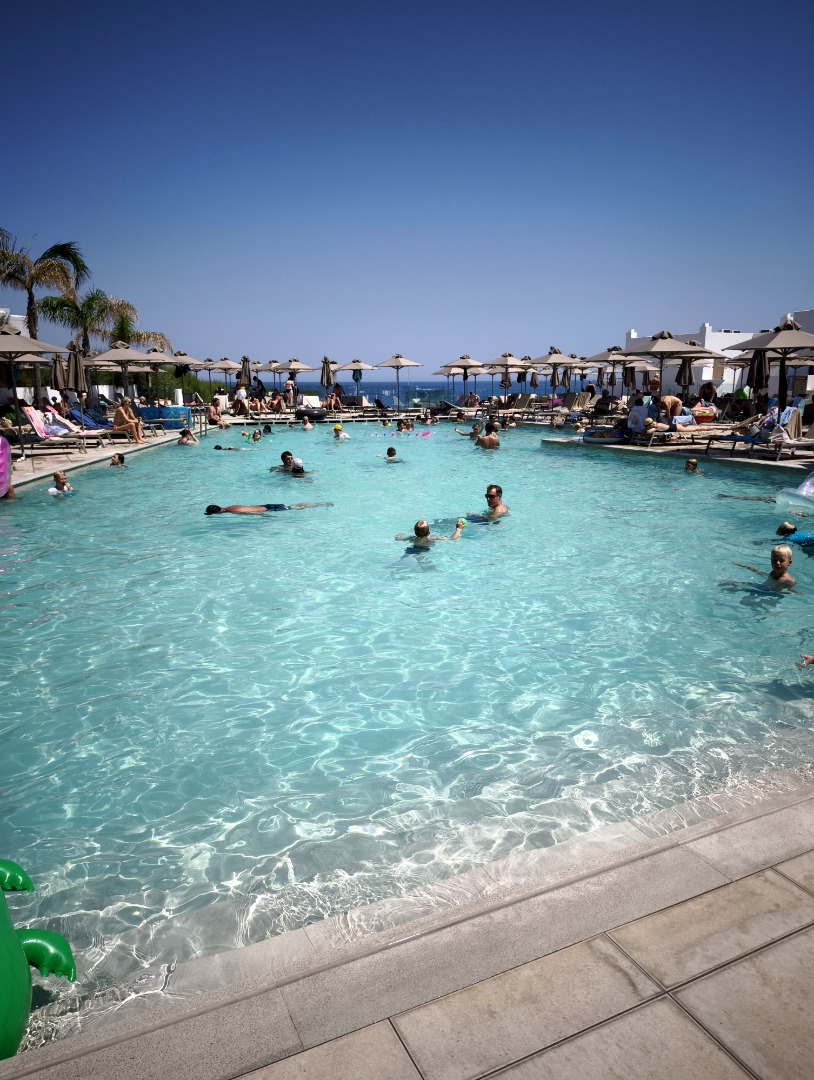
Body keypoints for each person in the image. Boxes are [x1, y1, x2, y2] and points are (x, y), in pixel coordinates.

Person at [395, 518, 466, 548]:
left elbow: (400, 539)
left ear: (415, 531)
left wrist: (399, 537)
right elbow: (453, 538)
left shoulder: (412, 538)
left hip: (414, 548)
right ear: (429, 531)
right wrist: (458, 528)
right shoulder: (432, 539)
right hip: (425, 550)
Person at [205, 502, 332, 515]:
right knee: (293, 506)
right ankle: (317, 504)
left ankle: (320, 504)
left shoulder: (232, 511)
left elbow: (249, 512)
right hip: (266, 505)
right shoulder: (231, 506)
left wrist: (265, 516)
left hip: (267, 510)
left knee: (295, 508)